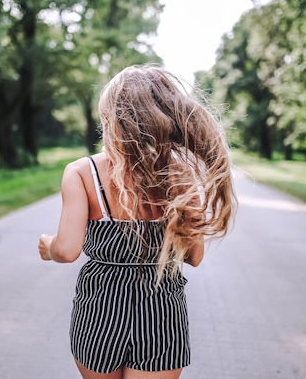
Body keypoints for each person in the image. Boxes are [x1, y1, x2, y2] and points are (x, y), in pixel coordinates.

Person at [38, 64, 237, 379]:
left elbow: (67, 251)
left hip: (100, 311)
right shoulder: (181, 177)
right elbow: (194, 257)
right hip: (161, 314)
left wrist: (49, 247)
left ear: (111, 120)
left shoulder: (82, 173)